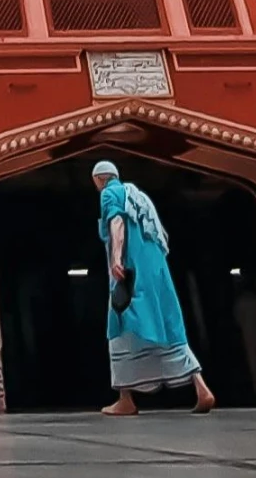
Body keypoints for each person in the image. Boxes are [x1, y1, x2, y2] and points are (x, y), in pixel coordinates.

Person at [92, 160, 216, 416]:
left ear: (99, 179)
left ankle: (126, 398)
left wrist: (116, 258)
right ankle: (201, 388)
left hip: (131, 271)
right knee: (167, 326)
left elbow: (117, 222)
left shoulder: (109, 193)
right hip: (156, 273)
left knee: (120, 324)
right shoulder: (140, 196)